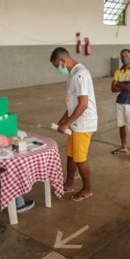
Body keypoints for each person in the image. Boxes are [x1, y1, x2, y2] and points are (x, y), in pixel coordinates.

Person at [49, 47, 98, 201]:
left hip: (83, 123)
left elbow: (83, 104)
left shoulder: (80, 74)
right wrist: (64, 118)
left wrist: (67, 123)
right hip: (76, 122)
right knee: (71, 155)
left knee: (80, 158)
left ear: (63, 60)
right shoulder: (72, 74)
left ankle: (87, 189)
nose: (58, 69)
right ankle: (69, 183)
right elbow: (73, 102)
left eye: (58, 66)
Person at [111, 49, 130, 162]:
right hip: (120, 102)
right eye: (122, 56)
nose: (124, 57)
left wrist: (118, 83)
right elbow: (112, 89)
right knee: (121, 125)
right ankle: (123, 146)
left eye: (127, 55)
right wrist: (124, 84)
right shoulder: (118, 71)